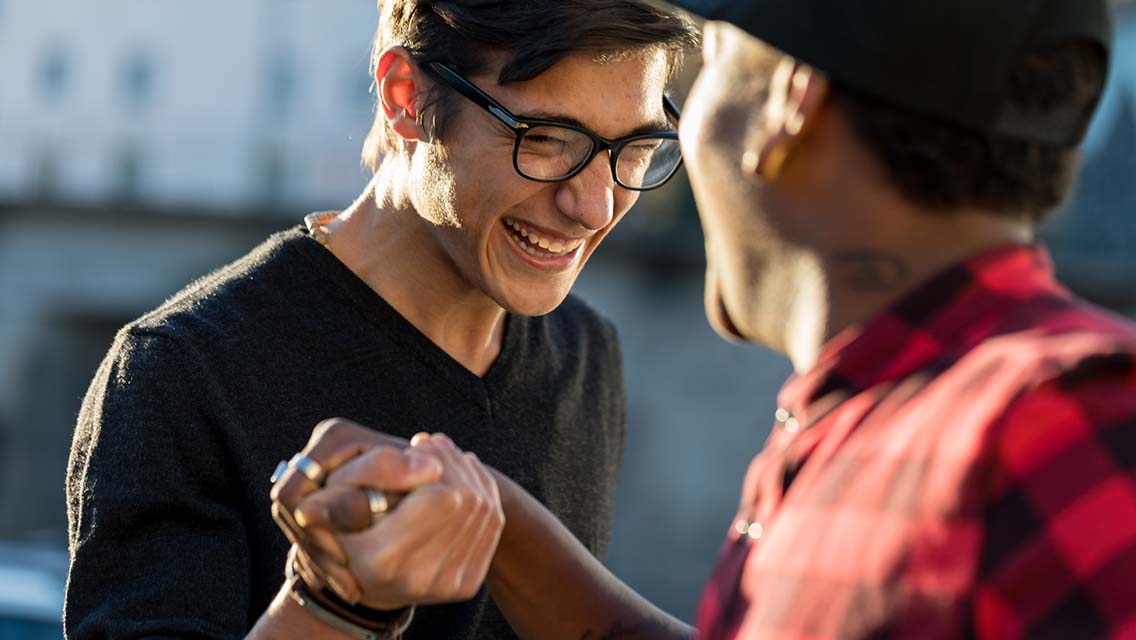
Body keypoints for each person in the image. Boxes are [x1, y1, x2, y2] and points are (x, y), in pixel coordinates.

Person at [279, 0, 1136, 638]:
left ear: (788, 100)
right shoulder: (886, 422)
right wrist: (489, 517)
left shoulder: (1070, 426)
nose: (593, 200)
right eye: (546, 137)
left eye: (715, 58)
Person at [64, 1, 697, 638]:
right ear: (404, 97)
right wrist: (331, 602)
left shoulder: (585, 351)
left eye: (636, 147)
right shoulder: (178, 372)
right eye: (547, 140)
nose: (594, 206)